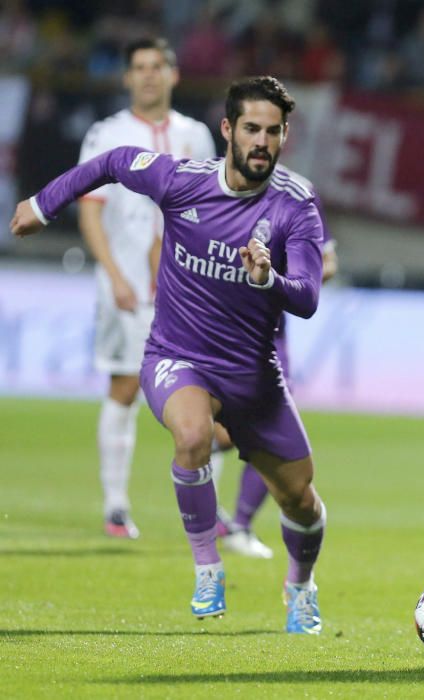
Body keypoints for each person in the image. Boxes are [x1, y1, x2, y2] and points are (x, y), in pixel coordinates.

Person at [11, 76, 327, 635]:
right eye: (251, 128)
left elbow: (307, 297)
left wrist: (269, 277)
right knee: (191, 436)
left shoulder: (295, 205)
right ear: (228, 130)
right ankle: (208, 568)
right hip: (177, 356)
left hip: (253, 374)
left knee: (302, 502)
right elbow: (110, 162)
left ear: (284, 137)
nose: (261, 141)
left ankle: (300, 585)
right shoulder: (181, 180)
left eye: (272, 132)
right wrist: (43, 203)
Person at [78, 37, 215, 539]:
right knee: (126, 385)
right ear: (127, 77)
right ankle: (116, 505)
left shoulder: (195, 136)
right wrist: (114, 274)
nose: (149, 75)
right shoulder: (107, 133)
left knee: (209, 395)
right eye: (139, 67)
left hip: (188, 291)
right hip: (129, 287)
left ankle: (211, 517)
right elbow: (90, 208)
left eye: (157, 66)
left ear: (174, 74)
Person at [214, 209, 337, 560]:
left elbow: (327, 264)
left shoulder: (297, 203)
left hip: (270, 335)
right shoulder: (214, 197)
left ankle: (238, 524)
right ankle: (194, 452)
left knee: (268, 427)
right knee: (233, 430)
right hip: (215, 329)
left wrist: (280, 280)